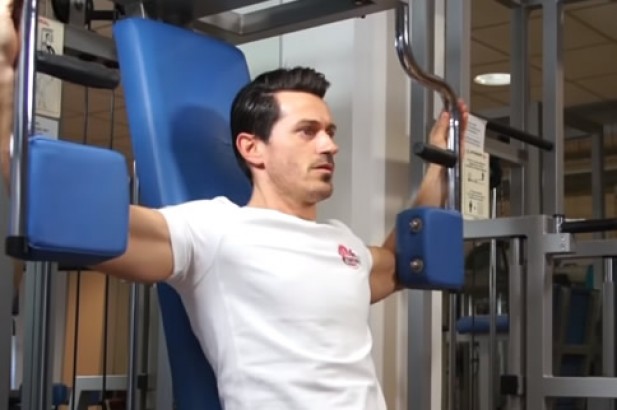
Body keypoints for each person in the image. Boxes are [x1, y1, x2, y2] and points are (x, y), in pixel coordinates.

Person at [0, 1, 468, 409]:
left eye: (330, 132)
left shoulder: (342, 245)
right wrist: (5, 72)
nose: (329, 145)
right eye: (307, 132)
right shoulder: (215, 231)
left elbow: (408, 259)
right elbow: (58, 208)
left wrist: (439, 164)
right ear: (252, 148)